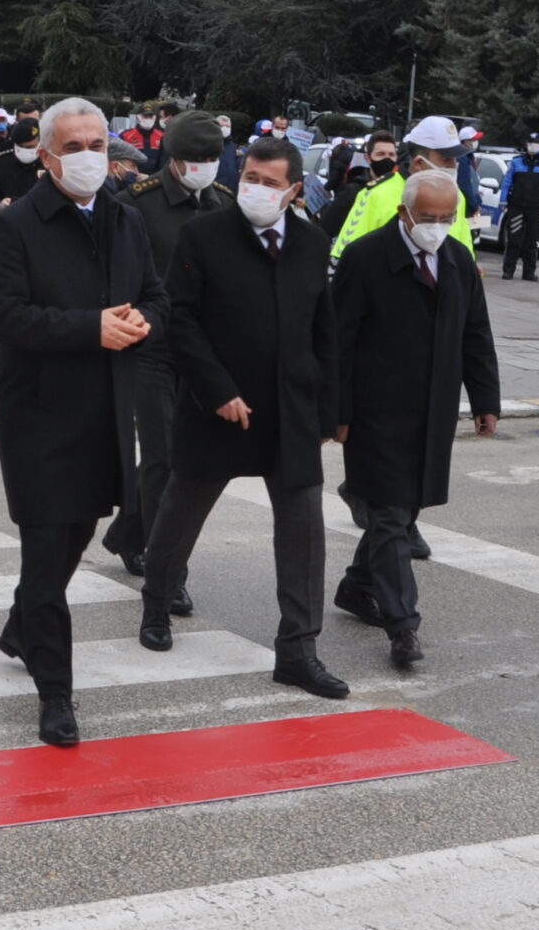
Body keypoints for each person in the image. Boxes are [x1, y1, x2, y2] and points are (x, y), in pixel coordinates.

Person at [0, 97, 166, 746]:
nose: (90, 155)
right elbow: (6, 318)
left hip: (106, 412)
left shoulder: (125, 219)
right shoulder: (15, 226)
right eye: (76, 145)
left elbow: (153, 296)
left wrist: (143, 323)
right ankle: (56, 694)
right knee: (45, 549)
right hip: (39, 415)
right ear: (50, 154)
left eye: (98, 142)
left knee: (73, 537)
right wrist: (92, 329)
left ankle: (19, 626)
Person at [135, 138, 346, 698]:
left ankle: (298, 650)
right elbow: (181, 320)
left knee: (304, 533)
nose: (256, 188)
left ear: (295, 191)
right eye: (251, 176)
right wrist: (217, 389)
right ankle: (156, 603)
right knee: (181, 513)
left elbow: (324, 332)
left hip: (291, 411)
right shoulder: (204, 235)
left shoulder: (311, 241)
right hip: (218, 407)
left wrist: (332, 410)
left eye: (271, 182)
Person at [330, 169, 500, 669]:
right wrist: (336, 412)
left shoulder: (457, 259)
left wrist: (485, 400)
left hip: (433, 410)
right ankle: (402, 624)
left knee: (403, 514)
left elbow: (476, 333)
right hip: (375, 412)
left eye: (448, 218)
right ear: (405, 212)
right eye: (428, 218)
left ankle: (358, 586)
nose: (438, 226)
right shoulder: (365, 259)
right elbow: (338, 342)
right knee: (389, 516)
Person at [102, 109, 229, 578]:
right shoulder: (136, 202)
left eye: (212, 157)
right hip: (149, 346)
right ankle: (165, 569)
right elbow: (115, 275)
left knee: (189, 457)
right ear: (173, 158)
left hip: (202, 352)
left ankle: (127, 534)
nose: (204, 165)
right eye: (195, 157)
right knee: (163, 458)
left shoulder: (224, 204)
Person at [330, 117, 473, 264]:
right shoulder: (375, 195)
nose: (453, 166)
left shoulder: (457, 197)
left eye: (455, 159)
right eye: (445, 160)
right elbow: (345, 259)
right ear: (419, 163)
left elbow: (466, 258)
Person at [498, 135, 539, 281]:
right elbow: (507, 183)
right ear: (527, 144)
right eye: (531, 143)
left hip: (535, 208)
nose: (533, 145)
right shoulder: (516, 162)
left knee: (531, 241)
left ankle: (529, 272)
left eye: (536, 143)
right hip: (517, 206)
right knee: (514, 239)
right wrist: (503, 201)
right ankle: (508, 270)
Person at [0, 115, 46, 213]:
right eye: (20, 146)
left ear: (40, 143)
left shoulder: (48, 163)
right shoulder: (2, 162)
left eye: (30, 147)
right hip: (10, 219)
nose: (25, 150)